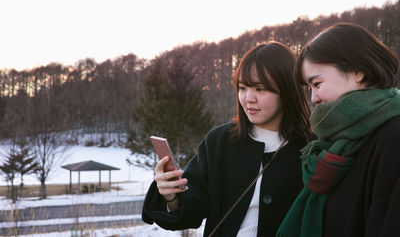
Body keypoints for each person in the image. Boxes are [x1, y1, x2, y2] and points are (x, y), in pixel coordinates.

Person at [142, 41, 313, 236]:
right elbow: (192, 211)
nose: (248, 98)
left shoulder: (311, 150)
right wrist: (171, 195)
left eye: (260, 89)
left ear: (287, 90)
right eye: (242, 87)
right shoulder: (220, 141)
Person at [277, 23, 400, 237]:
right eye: (309, 89)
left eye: (317, 84)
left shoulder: (393, 139)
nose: (313, 98)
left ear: (357, 72)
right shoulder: (333, 145)